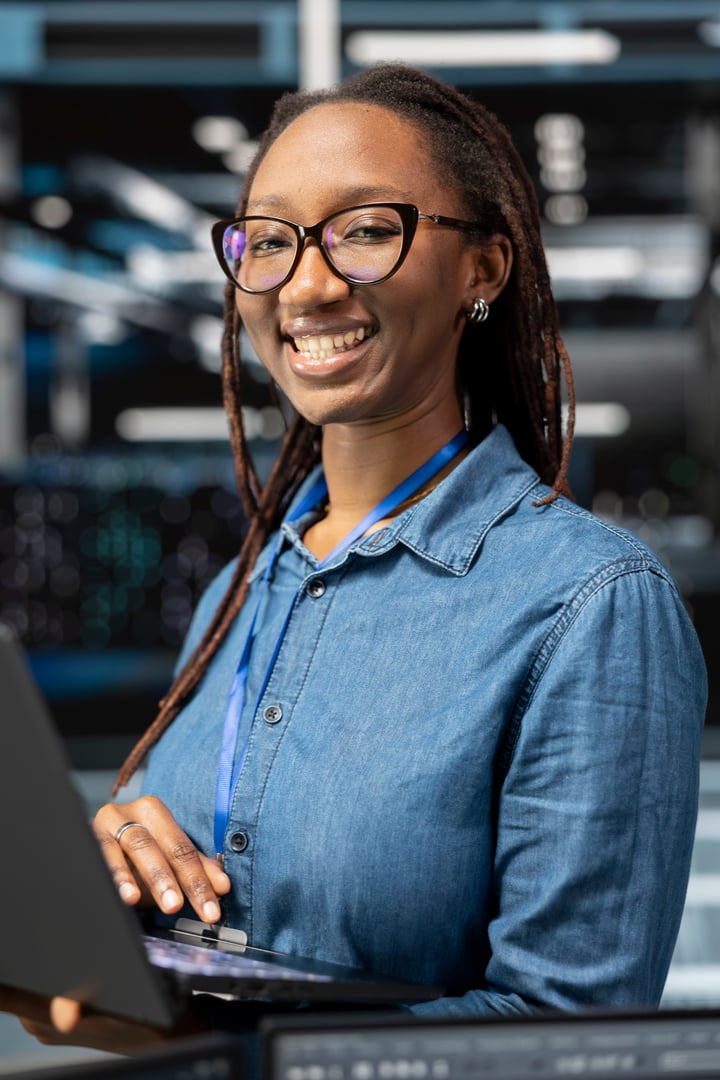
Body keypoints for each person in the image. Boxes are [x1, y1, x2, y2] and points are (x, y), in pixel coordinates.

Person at [10, 62, 707, 1050]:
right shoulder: (242, 589)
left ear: (485, 267)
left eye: (369, 230)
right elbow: (200, 946)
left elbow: (569, 1042)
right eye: (273, 240)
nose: (309, 282)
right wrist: (100, 902)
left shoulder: (587, 605)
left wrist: (196, 1036)